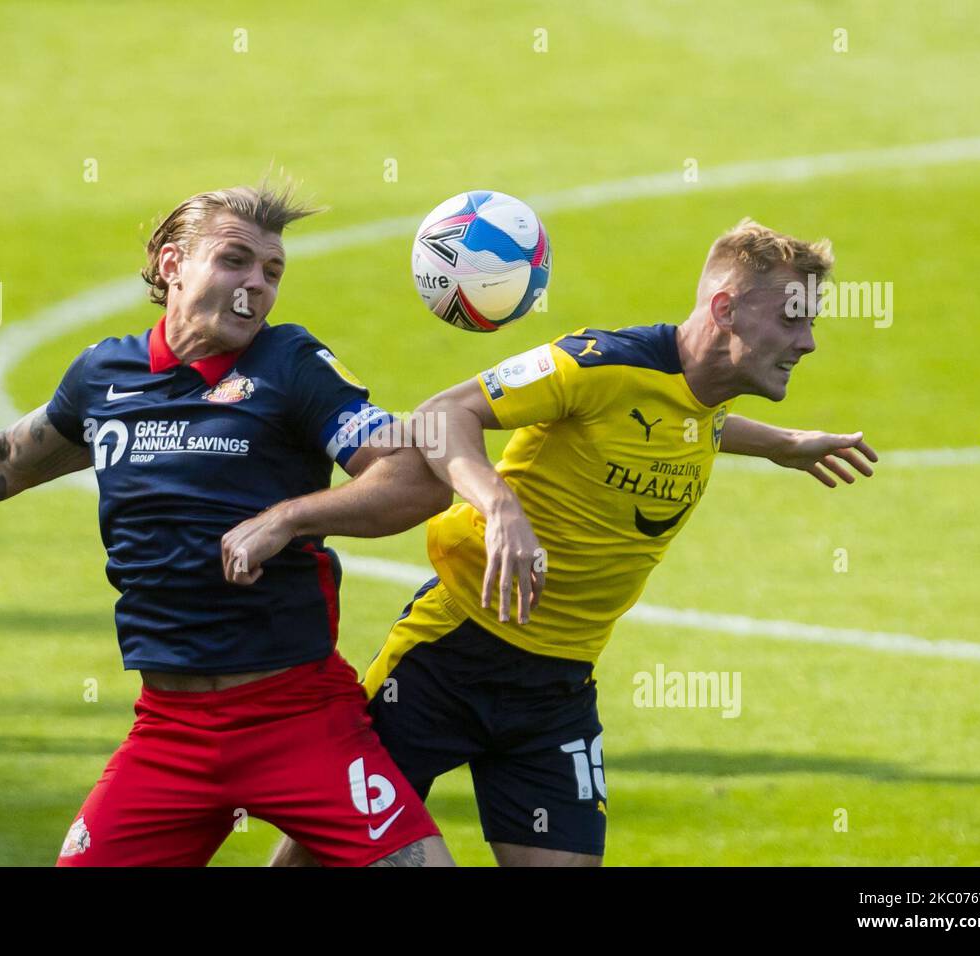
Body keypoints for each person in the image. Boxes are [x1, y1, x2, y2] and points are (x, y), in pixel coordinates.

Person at [0, 182, 454, 867]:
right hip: (171, 732)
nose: (256, 285)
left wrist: (290, 517)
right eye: (235, 261)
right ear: (171, 264)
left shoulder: (290, 366)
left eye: (272, 272)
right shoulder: (106, 377)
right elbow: (2, 463)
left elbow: (417, 478)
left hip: (296, 717)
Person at [229, 218, 877, 866]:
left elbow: (685, 425)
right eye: (794, 319)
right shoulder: (600, 363)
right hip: (450, 657)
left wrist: (785, 445)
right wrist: (499, 504)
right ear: (725, 309)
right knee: (323, 857)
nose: (809, 341)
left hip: (558, 687)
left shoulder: (701, 393)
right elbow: (441, 414)